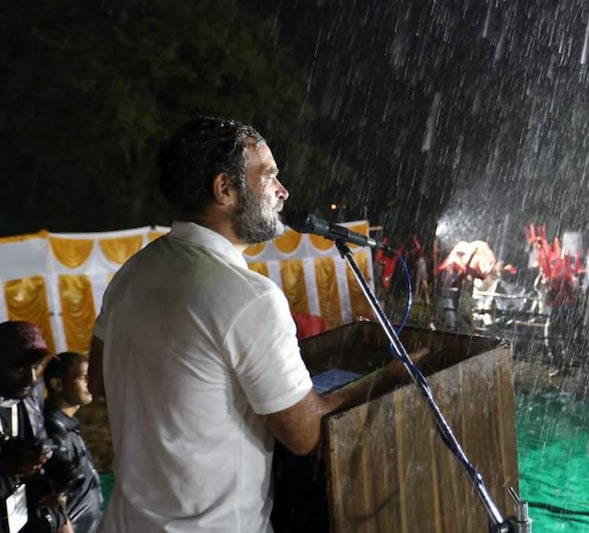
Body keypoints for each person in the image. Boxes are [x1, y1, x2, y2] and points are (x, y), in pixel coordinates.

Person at [88, 116, 413, 532]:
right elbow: (304, 433)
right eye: (270, 177)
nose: (283, 192)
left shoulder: (132, 273)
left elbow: (99, 381)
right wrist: (385, 379)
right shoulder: (249, 297)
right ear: (224, 188)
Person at [0, 321, 71, 533]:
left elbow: (41, 434)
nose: (31, 377)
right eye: (20, 367)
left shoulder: (30, 389)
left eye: (37, 366)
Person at [42, 352, 101, 533]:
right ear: (57, 384)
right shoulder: (54, 431)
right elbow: (55, 502)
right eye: (83, 378)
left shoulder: (65, 425)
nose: (90, 384)